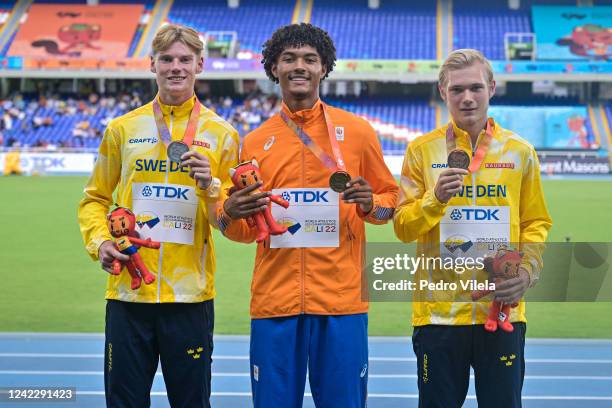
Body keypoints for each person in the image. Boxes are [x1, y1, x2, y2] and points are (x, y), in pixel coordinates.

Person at [218, 23, 399, 407]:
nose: (299, 66)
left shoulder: (358, 132)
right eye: (289, 59)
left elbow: (389, 202)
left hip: (341, 302)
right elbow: (241, 231)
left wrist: (370, 204)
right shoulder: (253, 141)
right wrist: (231, 212)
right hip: (275, 302)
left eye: (309, 59)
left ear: (323, 68)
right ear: (274, 69)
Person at [77, 24, 239, 407]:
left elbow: (229, 220)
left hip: (190, 297)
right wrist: (99, 241)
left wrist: (211, 186)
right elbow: (94, 198)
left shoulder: (223, 134)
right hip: (129, 294)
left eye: (185, 59)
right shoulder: (122, 129)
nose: (176, 67)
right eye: (167, 59)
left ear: (200, 64)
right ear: (152, 64)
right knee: (124, 402)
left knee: (192, 402)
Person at [393, 49, 553, 407]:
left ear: (492, 88)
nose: (467, 98)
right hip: (438, 317)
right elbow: (403, 227)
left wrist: (528, 270)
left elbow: (536, 221)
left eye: (476, 88)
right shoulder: (421, 151)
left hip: (501, 313)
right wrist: (435, 199)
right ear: (443, 92)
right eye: (457, 90)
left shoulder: (520, 152)